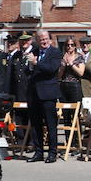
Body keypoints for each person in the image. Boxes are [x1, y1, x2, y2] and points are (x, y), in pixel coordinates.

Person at [26, 30, 63, 163]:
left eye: (46, 39)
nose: (44, 41)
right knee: (36, 125)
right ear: (37, 41)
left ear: (50, 39)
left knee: (50, 124)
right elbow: (27, 72)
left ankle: (52, 153)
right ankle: (38, 152)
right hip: (34, 93)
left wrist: (36, 63)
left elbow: (51, 69)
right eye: (41, 39)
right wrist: (30, 65)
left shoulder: (55, 52)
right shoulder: (34, 52)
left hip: (48, 93)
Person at [57, 37, 85, 103]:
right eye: (68, 45)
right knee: (65, 109)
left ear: (75, 46)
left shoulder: (79, 57)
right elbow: (59, 76)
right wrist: (63, 65)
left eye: (72, 45)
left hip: (75, 85)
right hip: (63, 85)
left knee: (75, 109)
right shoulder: (62, 57)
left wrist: (71, 64)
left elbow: (81, 73)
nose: (70, 47)